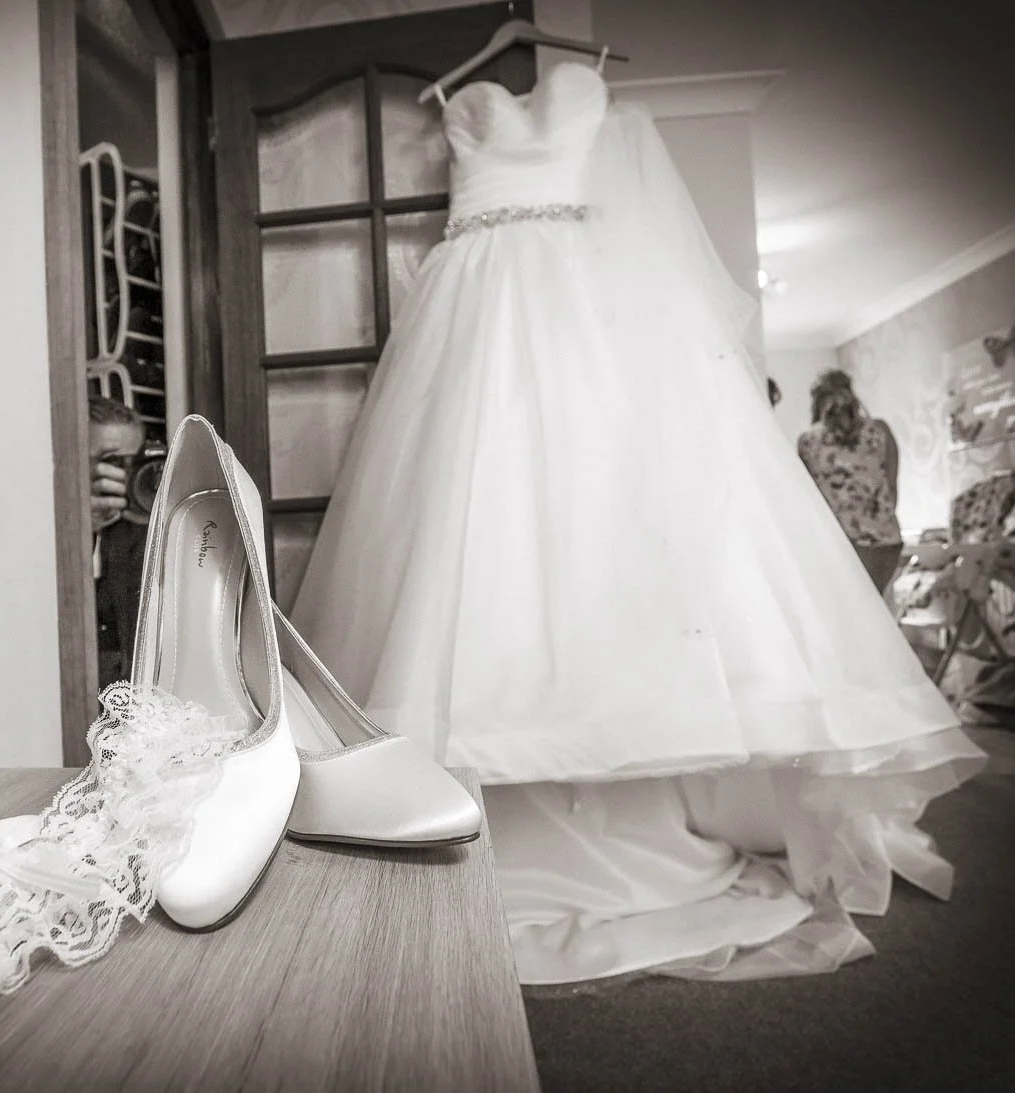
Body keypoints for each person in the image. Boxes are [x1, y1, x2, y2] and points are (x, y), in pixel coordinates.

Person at [290, 58, 984, 985]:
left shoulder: (587, 91)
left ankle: (591, 799)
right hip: (476, 320)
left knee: (602, 530)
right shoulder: (458, 95)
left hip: (587, 316)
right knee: (476, 531)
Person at [797, 369, 903, 594]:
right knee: (877, 614)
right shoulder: (880, 430)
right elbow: (892, 489)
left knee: (851, 620)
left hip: (843, 546)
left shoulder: (808, 443)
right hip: (886, 543)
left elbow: (809, 501)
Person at [88, 394, 147, 685]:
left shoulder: (144, 532)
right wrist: (83, 528)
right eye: (111, 461)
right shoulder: (46, 529)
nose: (123, 475)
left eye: (131, 463)